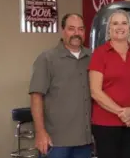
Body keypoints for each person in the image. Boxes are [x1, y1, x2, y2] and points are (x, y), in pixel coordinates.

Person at [88, 9, 130, 158]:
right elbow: (95, 91)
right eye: (115, 23)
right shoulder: (99, 53)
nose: (120, 27)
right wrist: (123, 114)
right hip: (105, 123)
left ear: (129, 28)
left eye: (124, 23)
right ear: (109, 28)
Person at [29, 13, 92, 158]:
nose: (77, 33)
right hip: (55, 141)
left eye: (81, 29)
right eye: (71, 29)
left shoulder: (92, 57)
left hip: (85, 140)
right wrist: (40, 132)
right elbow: (36, 96)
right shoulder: (47, 58)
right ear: (62, 30)